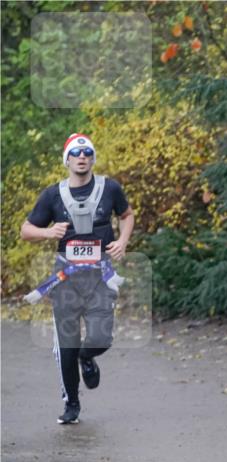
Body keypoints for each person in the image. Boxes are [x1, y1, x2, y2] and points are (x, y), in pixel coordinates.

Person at [20, 133, 134, 424]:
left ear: (93, 158)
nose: (82, 157)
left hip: (100, 275)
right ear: (67, 160)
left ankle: (88, 357)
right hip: (67, 278)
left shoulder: (110, 188)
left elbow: (127, 214)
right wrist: (49, 232)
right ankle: (71, 404)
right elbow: (26, 230)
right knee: (67, 345)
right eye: (76, 153)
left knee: (101, 337)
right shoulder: (52, 195)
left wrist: (122, 241)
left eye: (87, 153)